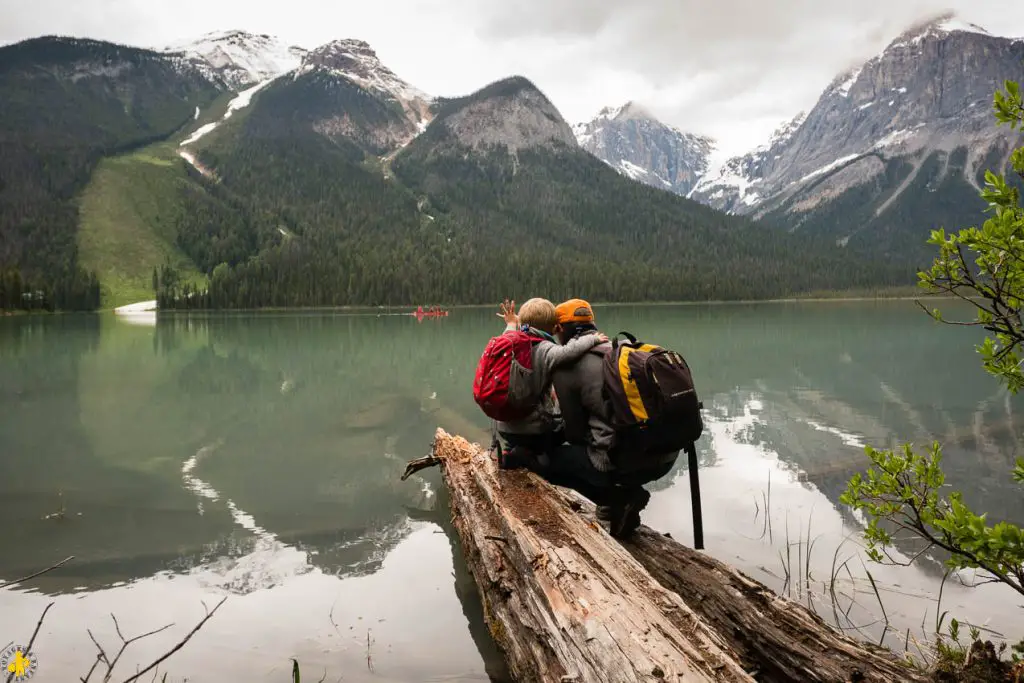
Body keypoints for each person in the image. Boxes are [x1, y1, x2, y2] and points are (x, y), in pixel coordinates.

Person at [545, 298, 680, 538]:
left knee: (545, 460)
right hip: (667, 456)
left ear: (560, 329)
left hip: (627, 462)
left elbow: (574, 434)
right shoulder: (625, 349)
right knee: (613, 436)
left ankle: (620, 498)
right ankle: (617, 507)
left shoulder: (567, 367)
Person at [492, 298, 608, 468]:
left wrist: (513, 322)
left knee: (519, 424)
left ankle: (511, 451)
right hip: (534, 433)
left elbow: (514, 330)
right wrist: (593, 339)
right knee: (560, 432)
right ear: (554, 328)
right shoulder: (545, 350)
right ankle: (536, 461)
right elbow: (569, 351)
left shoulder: (509, 341)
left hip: (504, 427)